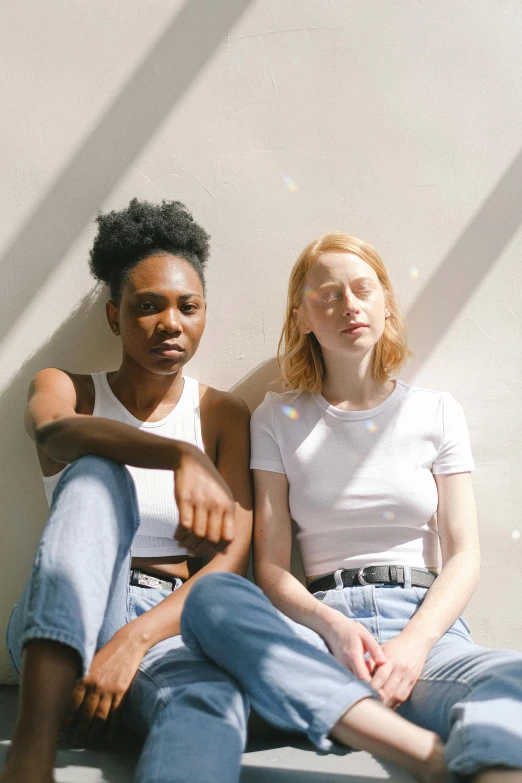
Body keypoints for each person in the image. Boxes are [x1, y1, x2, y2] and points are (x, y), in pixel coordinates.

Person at [179, 233, 522, 783]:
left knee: (512, 679)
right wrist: (334, 629)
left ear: (385, 301)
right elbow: (269, 567)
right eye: (328, 296)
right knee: (213, 599)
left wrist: (413, 646)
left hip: (425, 625)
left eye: (363, 290)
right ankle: (412, 747)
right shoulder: (274, 417)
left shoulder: (437, 413)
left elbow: (465, 554)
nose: (349, 306)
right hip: (319, 630)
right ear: (303, 318)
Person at [2, 198, 255, 783]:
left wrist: (133, 643)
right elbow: (54, 432)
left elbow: (229, 561)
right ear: (115, 318)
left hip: (166, 628)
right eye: (148, 307)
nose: (171, 323)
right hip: (60, 626)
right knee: (96, 472)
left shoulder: (222, 415)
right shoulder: (66, 387)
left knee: (209, 707)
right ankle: (31, 753)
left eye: (187, 307)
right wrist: (177, 454)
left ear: (203, 315)